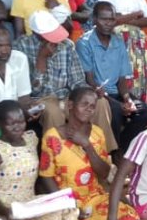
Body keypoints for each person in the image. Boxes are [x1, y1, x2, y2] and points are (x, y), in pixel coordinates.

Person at [40, 87, 140, 220]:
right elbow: (46, 178)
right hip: (66, 202)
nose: (89, 109)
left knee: (129, 217)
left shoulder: (97, 133)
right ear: (70, 105)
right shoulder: (52, 137)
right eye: (84, 104)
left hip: (94, 198)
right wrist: (69, 205)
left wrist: (87, 146)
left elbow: (105, 173)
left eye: (92, 106)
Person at [14, 10, 118, 152]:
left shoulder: (67, 45)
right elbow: (32, 90)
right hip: (41, 98)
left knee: (99, 103)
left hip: (68, 96)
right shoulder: (21, 46)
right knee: (53, 111)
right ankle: (59, 158)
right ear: (36, 33)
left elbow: (78, 81)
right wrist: (41, 59)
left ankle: (103, 152)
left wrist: (90, 91)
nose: (55, 40)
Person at [77, 1, 147, 150]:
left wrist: (127, 99)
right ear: (94, 19)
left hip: (116, 94)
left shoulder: (118, 42)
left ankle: (122, 148)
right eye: (103, 19)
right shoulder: (84, 43)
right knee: (116, 110)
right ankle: (111, 153)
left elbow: (122, 79)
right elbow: (90, 81)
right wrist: (119, 104)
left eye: (111, 19)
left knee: (146, 112)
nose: (108, 23)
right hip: (97, 94)